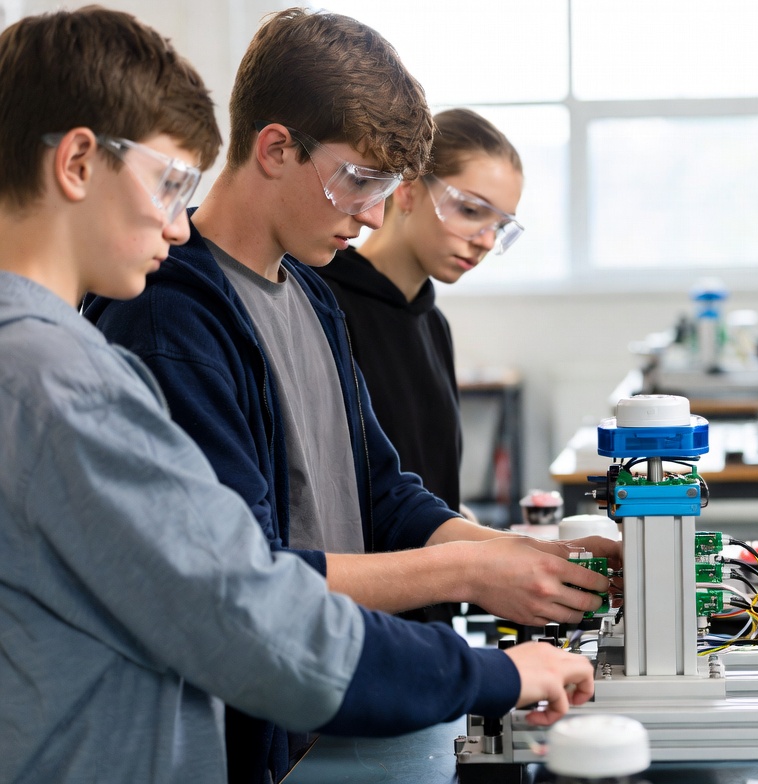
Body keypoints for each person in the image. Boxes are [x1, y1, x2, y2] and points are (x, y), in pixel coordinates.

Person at [0, 7, 594, 784]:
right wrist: (486, 658)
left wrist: (514, 557)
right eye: (169, 182)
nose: (175, 226)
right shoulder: (79, 364)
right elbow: (244, 602)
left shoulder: (311, 295)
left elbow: (374, 492)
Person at [316, 107, 523, 529]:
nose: (486, 241)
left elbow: (436, 488)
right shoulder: (325, 303)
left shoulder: (432, 324)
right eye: (471, 211)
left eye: (500, 227)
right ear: (407, 191)